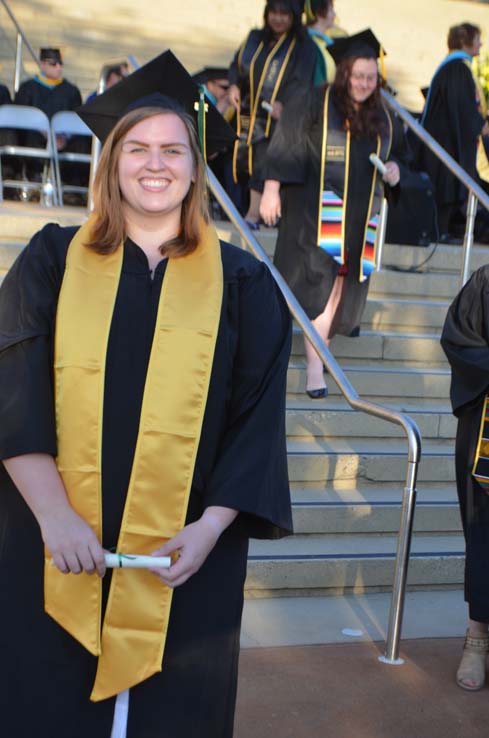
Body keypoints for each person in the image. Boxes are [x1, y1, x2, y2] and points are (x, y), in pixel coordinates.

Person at [0, 50, 292, 738]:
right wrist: (56, 518)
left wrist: (210, 529)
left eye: (171, 149)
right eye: (136, 148)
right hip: (52, 543)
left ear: (196, 167)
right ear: (111, 162)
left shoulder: (244, 286)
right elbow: (11, 390)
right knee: (44, 702)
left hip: (184, 556)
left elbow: (255, 422)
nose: (154, 163)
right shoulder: (49, 260)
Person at [260, 29, 410, 398]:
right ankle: (315, 365)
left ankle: (318, 356)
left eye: (370, 78)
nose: (363, 84)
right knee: (318, 285)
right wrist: (271, 189)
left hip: (360, 217)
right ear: (344, 73)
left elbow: (399, 157)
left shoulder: (384, 115)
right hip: (315, 212)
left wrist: (394, 172)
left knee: (339, 287)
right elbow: (288, 141)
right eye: (358, 76)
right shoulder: (316, 100)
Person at [441, 268, 489, 690]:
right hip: (488, 434)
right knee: (485, 536)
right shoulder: (487, 282)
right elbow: (459, 338)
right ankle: (477, 639)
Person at [228, 0, 316, 227]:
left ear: (294, 15)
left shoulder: (303, 47)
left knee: (266, 158)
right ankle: (248, 211)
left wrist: (286, 105)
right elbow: (236, 66)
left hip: (281, 120)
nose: (278, 18)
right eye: (273, 12)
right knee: (246, 158)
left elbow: (302, 83)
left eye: (284, 13)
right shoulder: (256, 38)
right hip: (249, 113)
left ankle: (253, 215)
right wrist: (234, 85)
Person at [418, 23, 489, 242]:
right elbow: (463, 107)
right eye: (477, 38)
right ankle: (443, 231)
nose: (481, 43)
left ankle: (449, 229)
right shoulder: (457, 68)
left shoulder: (455, 67)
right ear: (466, 41)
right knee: (449, 184)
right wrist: (480, 124)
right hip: (447, 143)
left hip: (447, 140)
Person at [14, 47, 82, 185]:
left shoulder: (71, 91)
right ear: (42, 64)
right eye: (53, 64)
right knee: (27, 135)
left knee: (81, 141)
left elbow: (75, 120)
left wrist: (64, 138)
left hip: (63, 141)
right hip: (35, 138)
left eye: (60, 64)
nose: (58, 67)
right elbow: (20, 117)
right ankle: (32, 179)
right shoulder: (27, 88)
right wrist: (45, 134)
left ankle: (73, 189)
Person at [304, 0, 338, 85]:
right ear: (320, 13)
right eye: (331, 10)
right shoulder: (307, 43)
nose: (334, 14)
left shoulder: (326, 42)